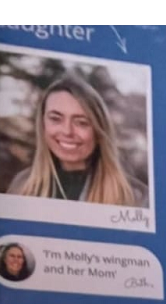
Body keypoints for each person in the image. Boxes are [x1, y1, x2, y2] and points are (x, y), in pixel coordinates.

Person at [8, 74, 147, 207]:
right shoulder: (22, 186)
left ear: (99, 131)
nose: (67, 131)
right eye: (55, 119)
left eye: (81, 122)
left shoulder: (136, 197)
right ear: (42, 124)